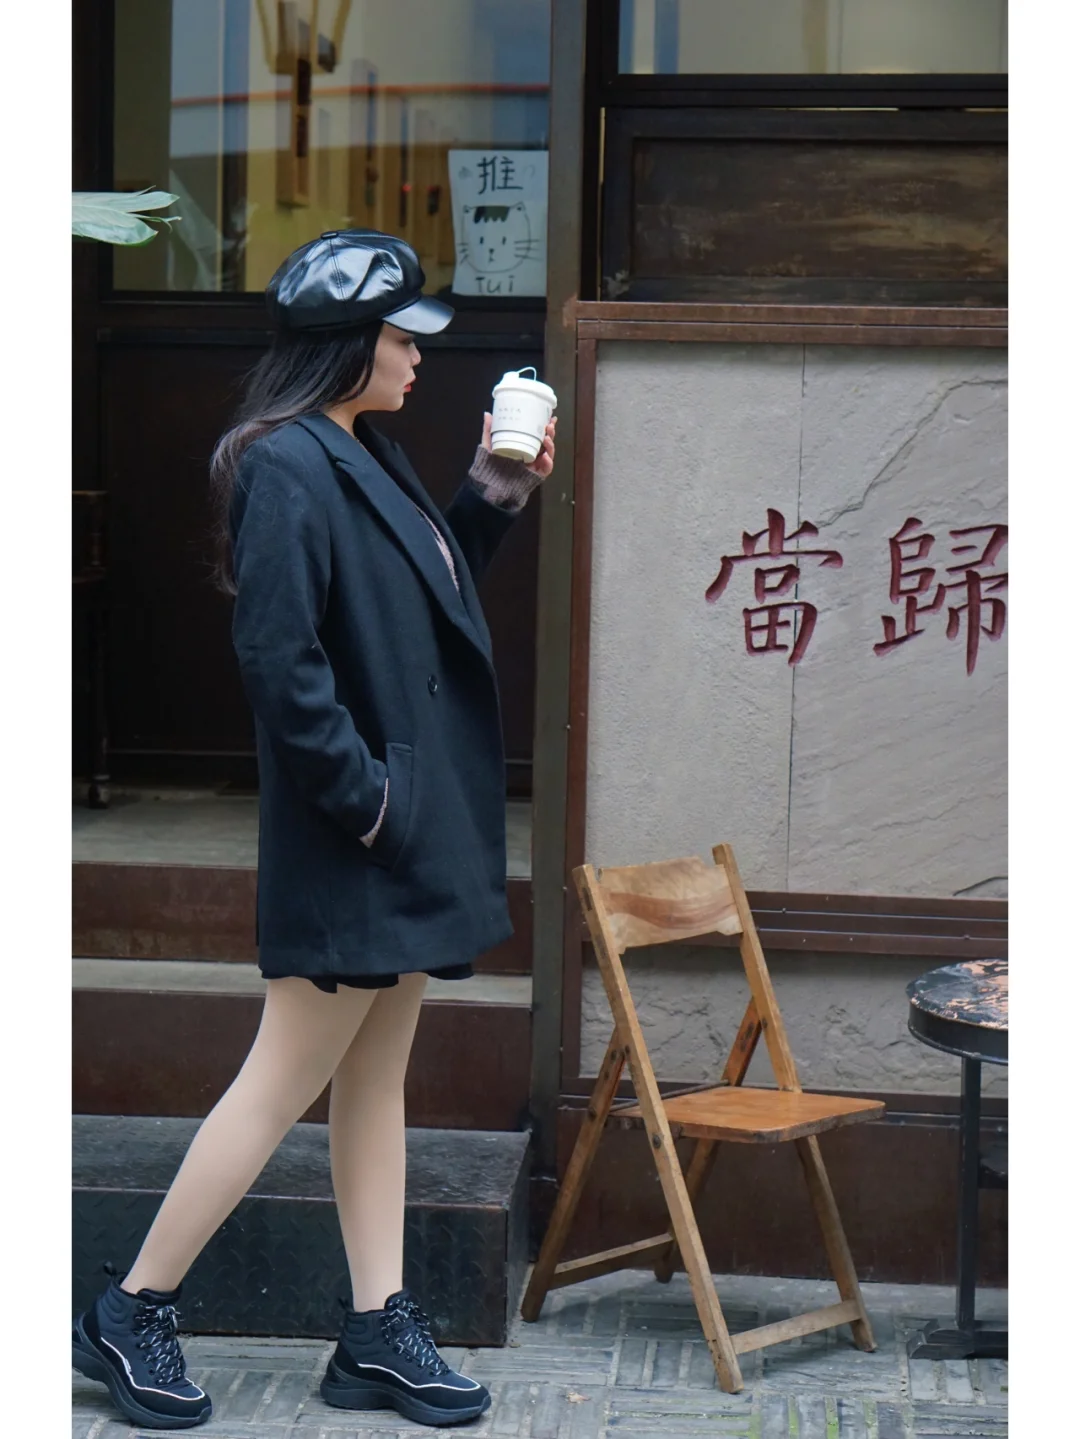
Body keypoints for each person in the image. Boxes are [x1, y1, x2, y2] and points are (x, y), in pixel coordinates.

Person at [71, 229, 556, 1430]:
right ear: (347, 343)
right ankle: (132, 1306)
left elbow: (421, 601)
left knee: (375, 1079)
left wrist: (495, 491)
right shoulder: (286, 463)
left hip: (395, 828)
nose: (418, 358)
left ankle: (378, 1327)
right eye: (401, 338)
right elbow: (280, 664)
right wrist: (372, 801)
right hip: (357, 834)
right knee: (282, 1076)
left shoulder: (359, 449)